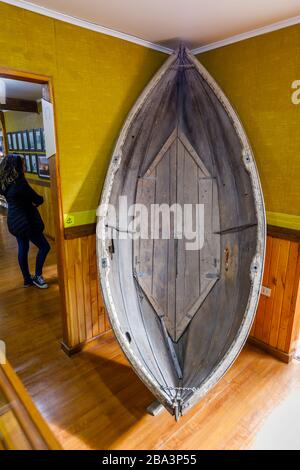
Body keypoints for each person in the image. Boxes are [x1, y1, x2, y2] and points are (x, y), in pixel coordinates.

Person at [0, 155, 50, 288]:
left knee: (23, 247)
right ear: (17, 167)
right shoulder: (20, 183)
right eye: (22, 163)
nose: (24, 166)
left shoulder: (5, 183)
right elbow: (38, 199)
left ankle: (27, 279)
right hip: (26, 222)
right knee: (45, 247)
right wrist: (36, 202)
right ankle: (38, 277)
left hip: (14, 221)